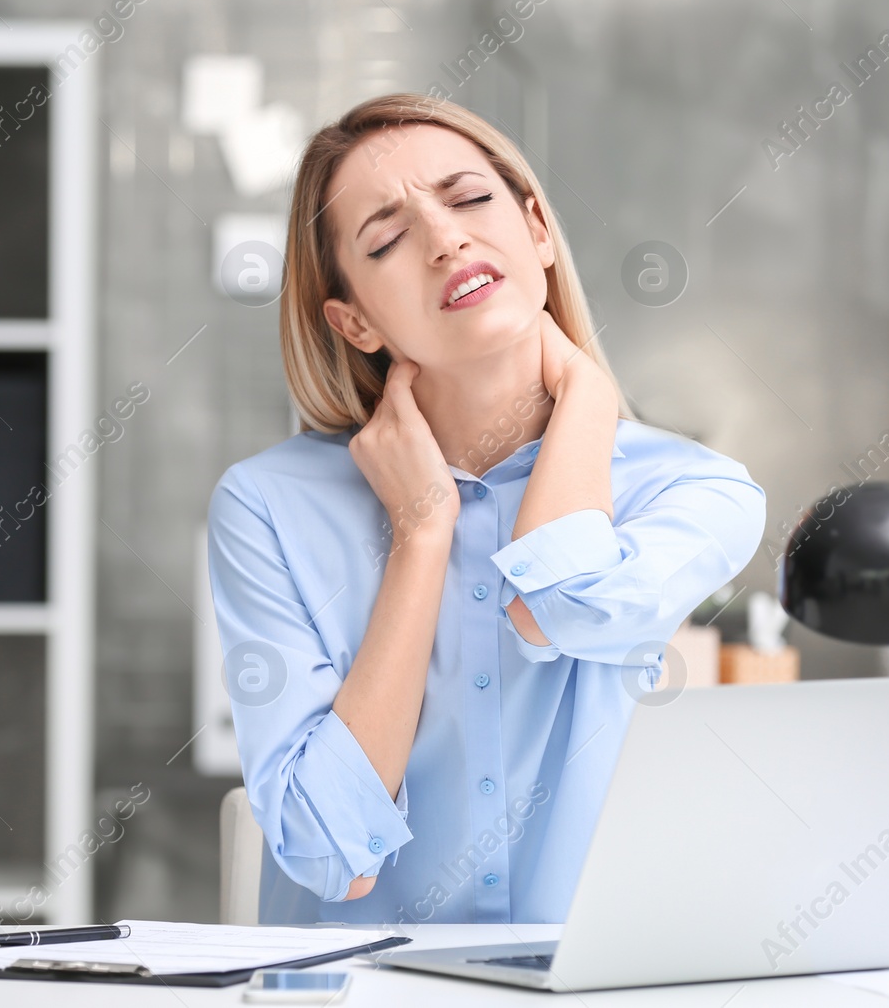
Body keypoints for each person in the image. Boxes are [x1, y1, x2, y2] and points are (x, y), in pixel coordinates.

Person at [205, 94, 765, 926]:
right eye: (388, 238)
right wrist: (421, 534)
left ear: (537, 229)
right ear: (353, 319)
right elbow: (329, 853)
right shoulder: (267, 507)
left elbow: (555, 609)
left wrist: (586, 393)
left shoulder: (697, 491)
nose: (445, 239)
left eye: (469, 199)